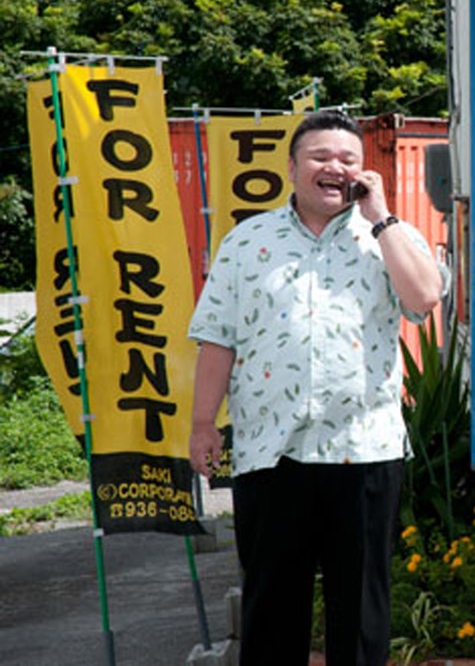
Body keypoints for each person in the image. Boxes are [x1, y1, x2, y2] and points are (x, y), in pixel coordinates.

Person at [188, 109, 445, 666]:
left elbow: (425, 297)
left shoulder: (389, 236)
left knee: (361, 608)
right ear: (292, 168)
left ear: (364, 171)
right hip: (271, 453)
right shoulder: (246, 241)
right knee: (272, 608)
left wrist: (381, 219)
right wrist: (203, 423)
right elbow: (217, 337)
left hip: (364, 450)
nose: (335, 167)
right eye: (320, 157)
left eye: (348, 159)